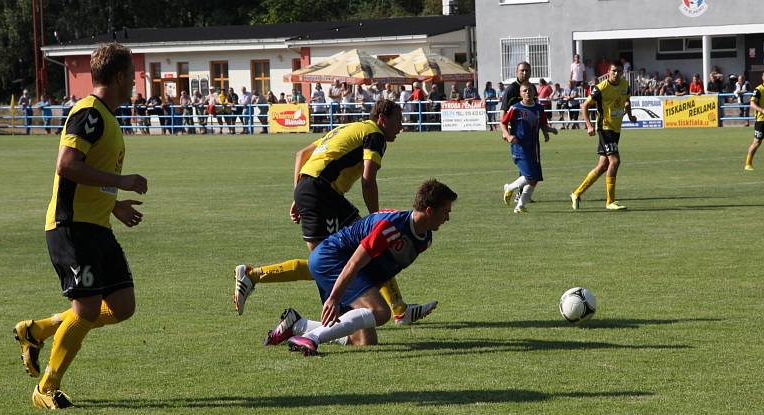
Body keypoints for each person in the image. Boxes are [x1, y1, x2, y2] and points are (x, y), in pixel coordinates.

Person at [13, 42, 147, 410]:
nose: (135, 80)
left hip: (97, 224)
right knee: (87, 310)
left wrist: (114, 204)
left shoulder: (107, 116)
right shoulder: (88, 113)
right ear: (119, 76)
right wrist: (120, 184)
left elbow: (88, 172)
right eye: (132, 72)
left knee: (122, 306)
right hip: (70, 226)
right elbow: (67, 165)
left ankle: (38, 330)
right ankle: (46, 387)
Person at [233, 100, 438, 325]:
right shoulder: (374, 135)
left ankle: (399, 309)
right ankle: (254, 275)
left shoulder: (350, 127)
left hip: (317, 190)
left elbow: (301, 154)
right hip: (322, 192)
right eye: (398, 120)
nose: (401, 126)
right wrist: (377, 218)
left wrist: (298, 194)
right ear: (382, 118)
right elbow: (368, 180)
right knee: (324, 263)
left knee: (361, 251)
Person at [262, 179, 457, 356]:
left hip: (348, 268)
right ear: (430, 211)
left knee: (364, 340)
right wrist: (334, 298)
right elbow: (354, 262)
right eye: (445, 212)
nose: (447, 218)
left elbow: (383, 270)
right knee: (381, 312)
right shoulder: (391, 227)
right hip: (331, 258)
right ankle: (311, 339)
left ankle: (297, 325)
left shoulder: (424, 240)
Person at [570, 62, 636, 211]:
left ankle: (576, 193)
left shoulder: (625, 85)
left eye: (619, 71)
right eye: (613, 71)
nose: (616, 74)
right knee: (615, 161)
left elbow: (627, 101)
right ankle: (610, 201)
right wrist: (588, 125)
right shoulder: (601, 88)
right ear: (608, 71)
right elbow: (584, 106)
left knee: (602, 166)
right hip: (604, 128)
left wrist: (630, 115)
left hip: (615, 129)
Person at [501, 82, 557, 213]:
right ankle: (509, 188)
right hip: (519, 147)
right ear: (520, 94)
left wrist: (549, 131)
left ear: (534, 92)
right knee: (530, 176)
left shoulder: (539, 108)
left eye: (530, 90)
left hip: (534, 148)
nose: (527, 93)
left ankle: (520, 206)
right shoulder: (515, 108)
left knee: (535, 179)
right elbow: (503, 123)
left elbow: (543, 124)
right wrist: (508, 136)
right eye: (524, 91)